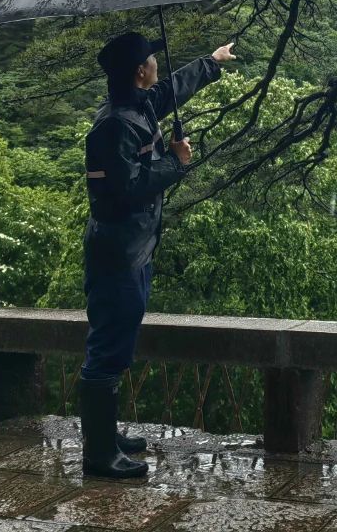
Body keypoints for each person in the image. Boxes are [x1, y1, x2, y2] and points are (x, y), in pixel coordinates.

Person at [79, 30, 236, 478]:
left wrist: (211, 62)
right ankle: (99, 455)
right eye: (151, 60)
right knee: (108, 349)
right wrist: (175, 162)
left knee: (118, 343)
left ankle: (107, 436)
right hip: (118, 253)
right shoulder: (114, 125)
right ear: (139, 72)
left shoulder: (137, 105)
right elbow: (124, 190)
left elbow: (170, 90)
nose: (157, 66)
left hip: (134, 248)